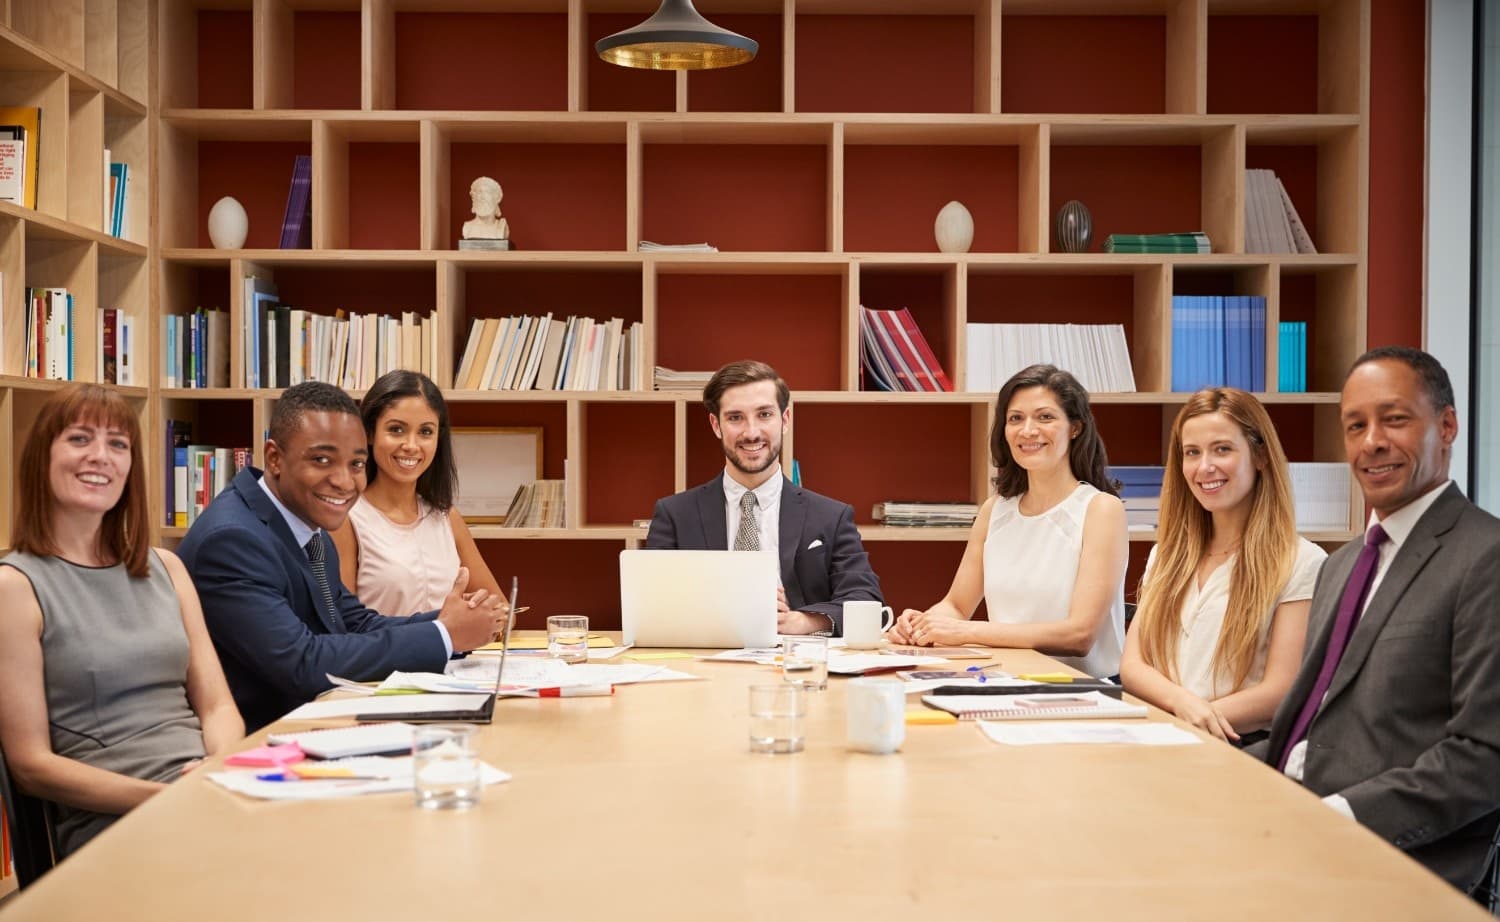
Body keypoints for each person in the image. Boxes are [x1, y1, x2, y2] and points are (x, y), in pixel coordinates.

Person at [1255, 346, 1500, 895]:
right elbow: (1312, 726)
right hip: (1288, 821)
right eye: (1355, 425)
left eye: (1395, 419)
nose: (1372, 443)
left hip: (1394, 858)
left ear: (1448, 425)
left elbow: (1485, 756)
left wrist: (1336, 817)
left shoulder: (1486, 558)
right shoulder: (1340, 566)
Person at [0, 385, 244, 857]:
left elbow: (216, 707)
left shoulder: (167, 568)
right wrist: (168, 799)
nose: (101, 457)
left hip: (207, 794)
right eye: (79, 439)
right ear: (41, 457)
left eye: (118, 444)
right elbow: (30, 765)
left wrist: (217, 769)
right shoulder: (15, 587)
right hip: (116, 824)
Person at [177, 382, 506, 731]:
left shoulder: (304, 526)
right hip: (260, 740)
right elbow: (302, 663)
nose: (344, 481)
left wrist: (449, 623)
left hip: (321, 720)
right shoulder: (232, 540)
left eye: (356, 464)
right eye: (322, 460)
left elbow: (354, 622)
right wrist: (444, 634)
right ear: (274, 458)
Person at [891, 364, 1127, 678]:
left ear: (1075, 428)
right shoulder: (995, 510)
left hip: (1079, 690)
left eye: (1045, 417)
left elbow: (1079, 635)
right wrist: (921, 626)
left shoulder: (1101, 510)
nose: (1027, 430)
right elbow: (957, 606)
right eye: (1015, 418)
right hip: (1003, 680)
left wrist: (966, 632)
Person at [1119, 388, 1325, 745]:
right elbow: (1133, 666)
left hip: (1237, 746)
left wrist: (1191, 720)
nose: (1204, 467)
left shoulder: (1302, 561)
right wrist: (1181, 706)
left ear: (1260, 456)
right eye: (1192, 453)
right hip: (1161, 733)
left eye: (1222, 449)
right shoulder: (1166, 557)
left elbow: (1279, 692)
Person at [645, 360, 882, 635]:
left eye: (764, 415)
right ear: (716, 425)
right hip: (707, 660)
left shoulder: (832, 516)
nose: (751, 432)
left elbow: (867, 601)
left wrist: (802, 621)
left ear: (785, 420)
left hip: (797, 663)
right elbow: (652, 606)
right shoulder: (674, 514)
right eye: (735, 418)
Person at [331, 370, 506, 616]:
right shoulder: (345, 520)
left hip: (452, 655)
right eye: (396, 430)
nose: (411, 446)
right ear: (369, 433)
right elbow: (342, 626)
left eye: (425, 432)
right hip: (385, 655)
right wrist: (446, 627)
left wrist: (480, 613)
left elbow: (503, 611)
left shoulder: (446, 517)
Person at [461, 176, 509, 241]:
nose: (482, 197)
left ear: (496, 198)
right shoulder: (468, 228)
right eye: (479, 192)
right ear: (474, 198)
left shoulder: (501, 227)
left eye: (487, 192)